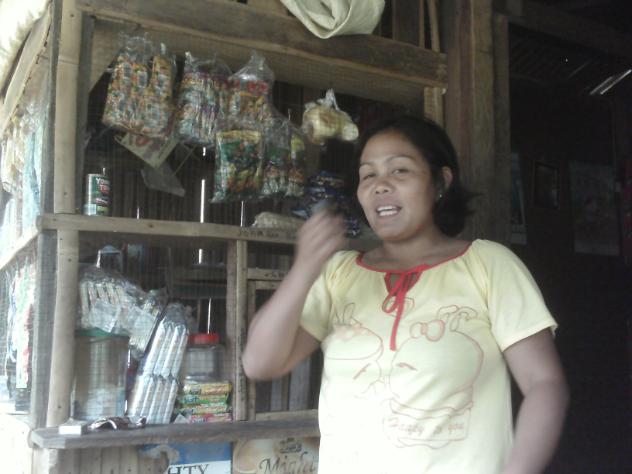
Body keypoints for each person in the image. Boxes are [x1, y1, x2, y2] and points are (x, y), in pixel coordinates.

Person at [242, 115, 569, 474]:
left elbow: (544, 384)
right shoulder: (338, 273)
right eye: (368, 175)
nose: (380, 185)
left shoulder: (488, 265)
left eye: (399, 170)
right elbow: (259, 363)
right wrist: (305, 268)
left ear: (440, 182)